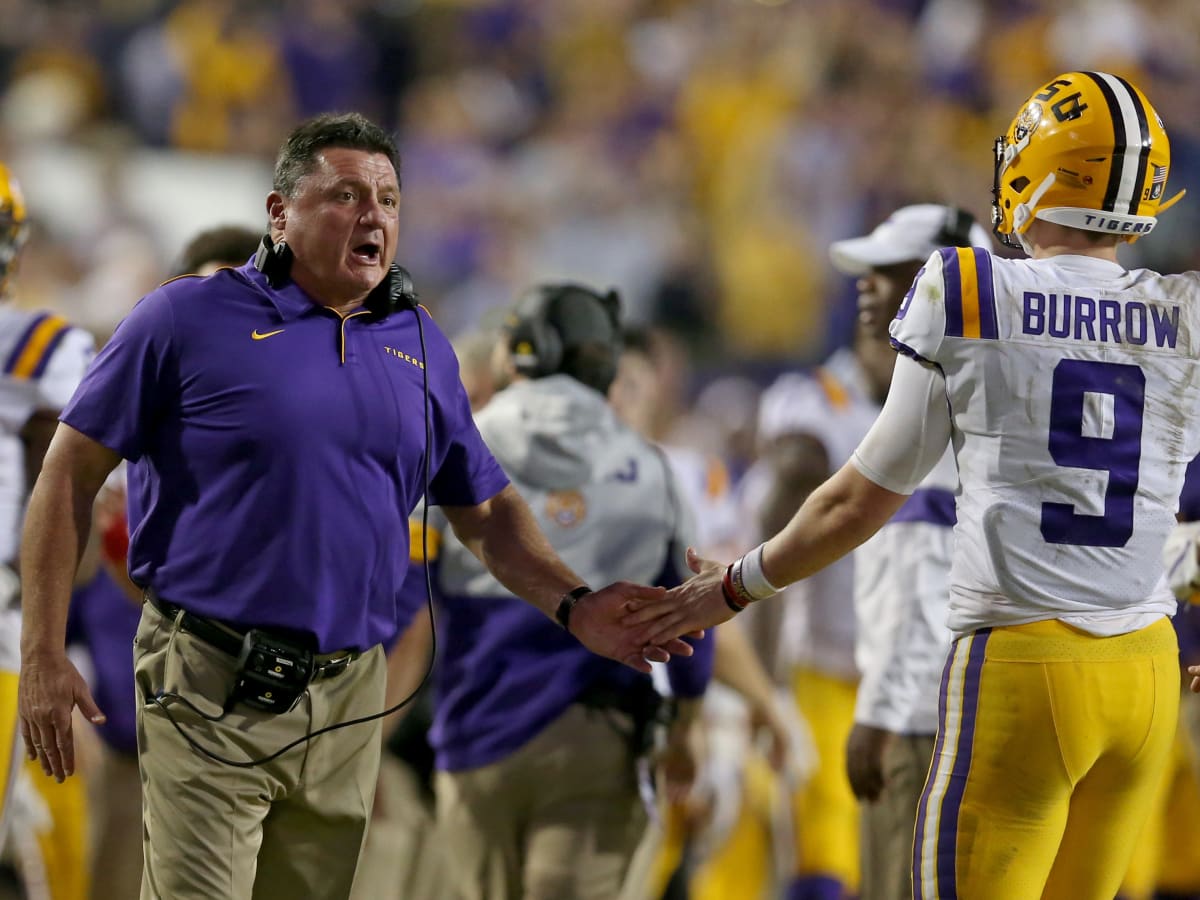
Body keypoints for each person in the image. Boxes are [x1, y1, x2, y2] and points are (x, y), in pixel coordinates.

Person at [15, 112, 692, 900]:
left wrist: (574, 604)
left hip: (348, 696)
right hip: (207, 676)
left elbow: (485, 508)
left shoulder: (420, 342)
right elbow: (67, 475)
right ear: (280, 213)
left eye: (389, 198)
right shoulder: (185, 319)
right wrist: (41, 649)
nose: (374, 215)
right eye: (346, 194)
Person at [632, 71, 1196, 898]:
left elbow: (859, 498)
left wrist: (734, 586)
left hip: (1025, 659)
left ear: (1040, 168)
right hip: (1148, 670)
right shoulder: (1183, 310)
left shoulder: (969, 289)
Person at [412, 283, 714, 900]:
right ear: (604, 360)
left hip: (473, 726)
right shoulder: (651, 466)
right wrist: (685, 727)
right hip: (596, 732)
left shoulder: (457, 441)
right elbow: (690, 616)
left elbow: (400, 592)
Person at [752, 204, 987, 900]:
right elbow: (789, 487)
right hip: (836, 667)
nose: (865, 287)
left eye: (890, 272)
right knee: (830, 856)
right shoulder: (815, 404)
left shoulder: (990, 395)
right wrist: (766, 686)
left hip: (952, 673)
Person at [69, 223, 262, 900]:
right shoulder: (115, 414)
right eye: (207, 291)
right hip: (121, 723)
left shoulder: (289, 429)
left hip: (244, 728)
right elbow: (70, 566)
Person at [829, 206, 988, 900]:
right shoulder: (1000, 383)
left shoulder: (943, 389)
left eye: (887, 270)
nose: (866, 286)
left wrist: (883, 710)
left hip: (929, 715)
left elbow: (923, 571)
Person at [0, 161, 96, 900]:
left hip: (5, 617)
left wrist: (44, 626)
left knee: (43, 836)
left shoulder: (37, 343)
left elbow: (66, 497)